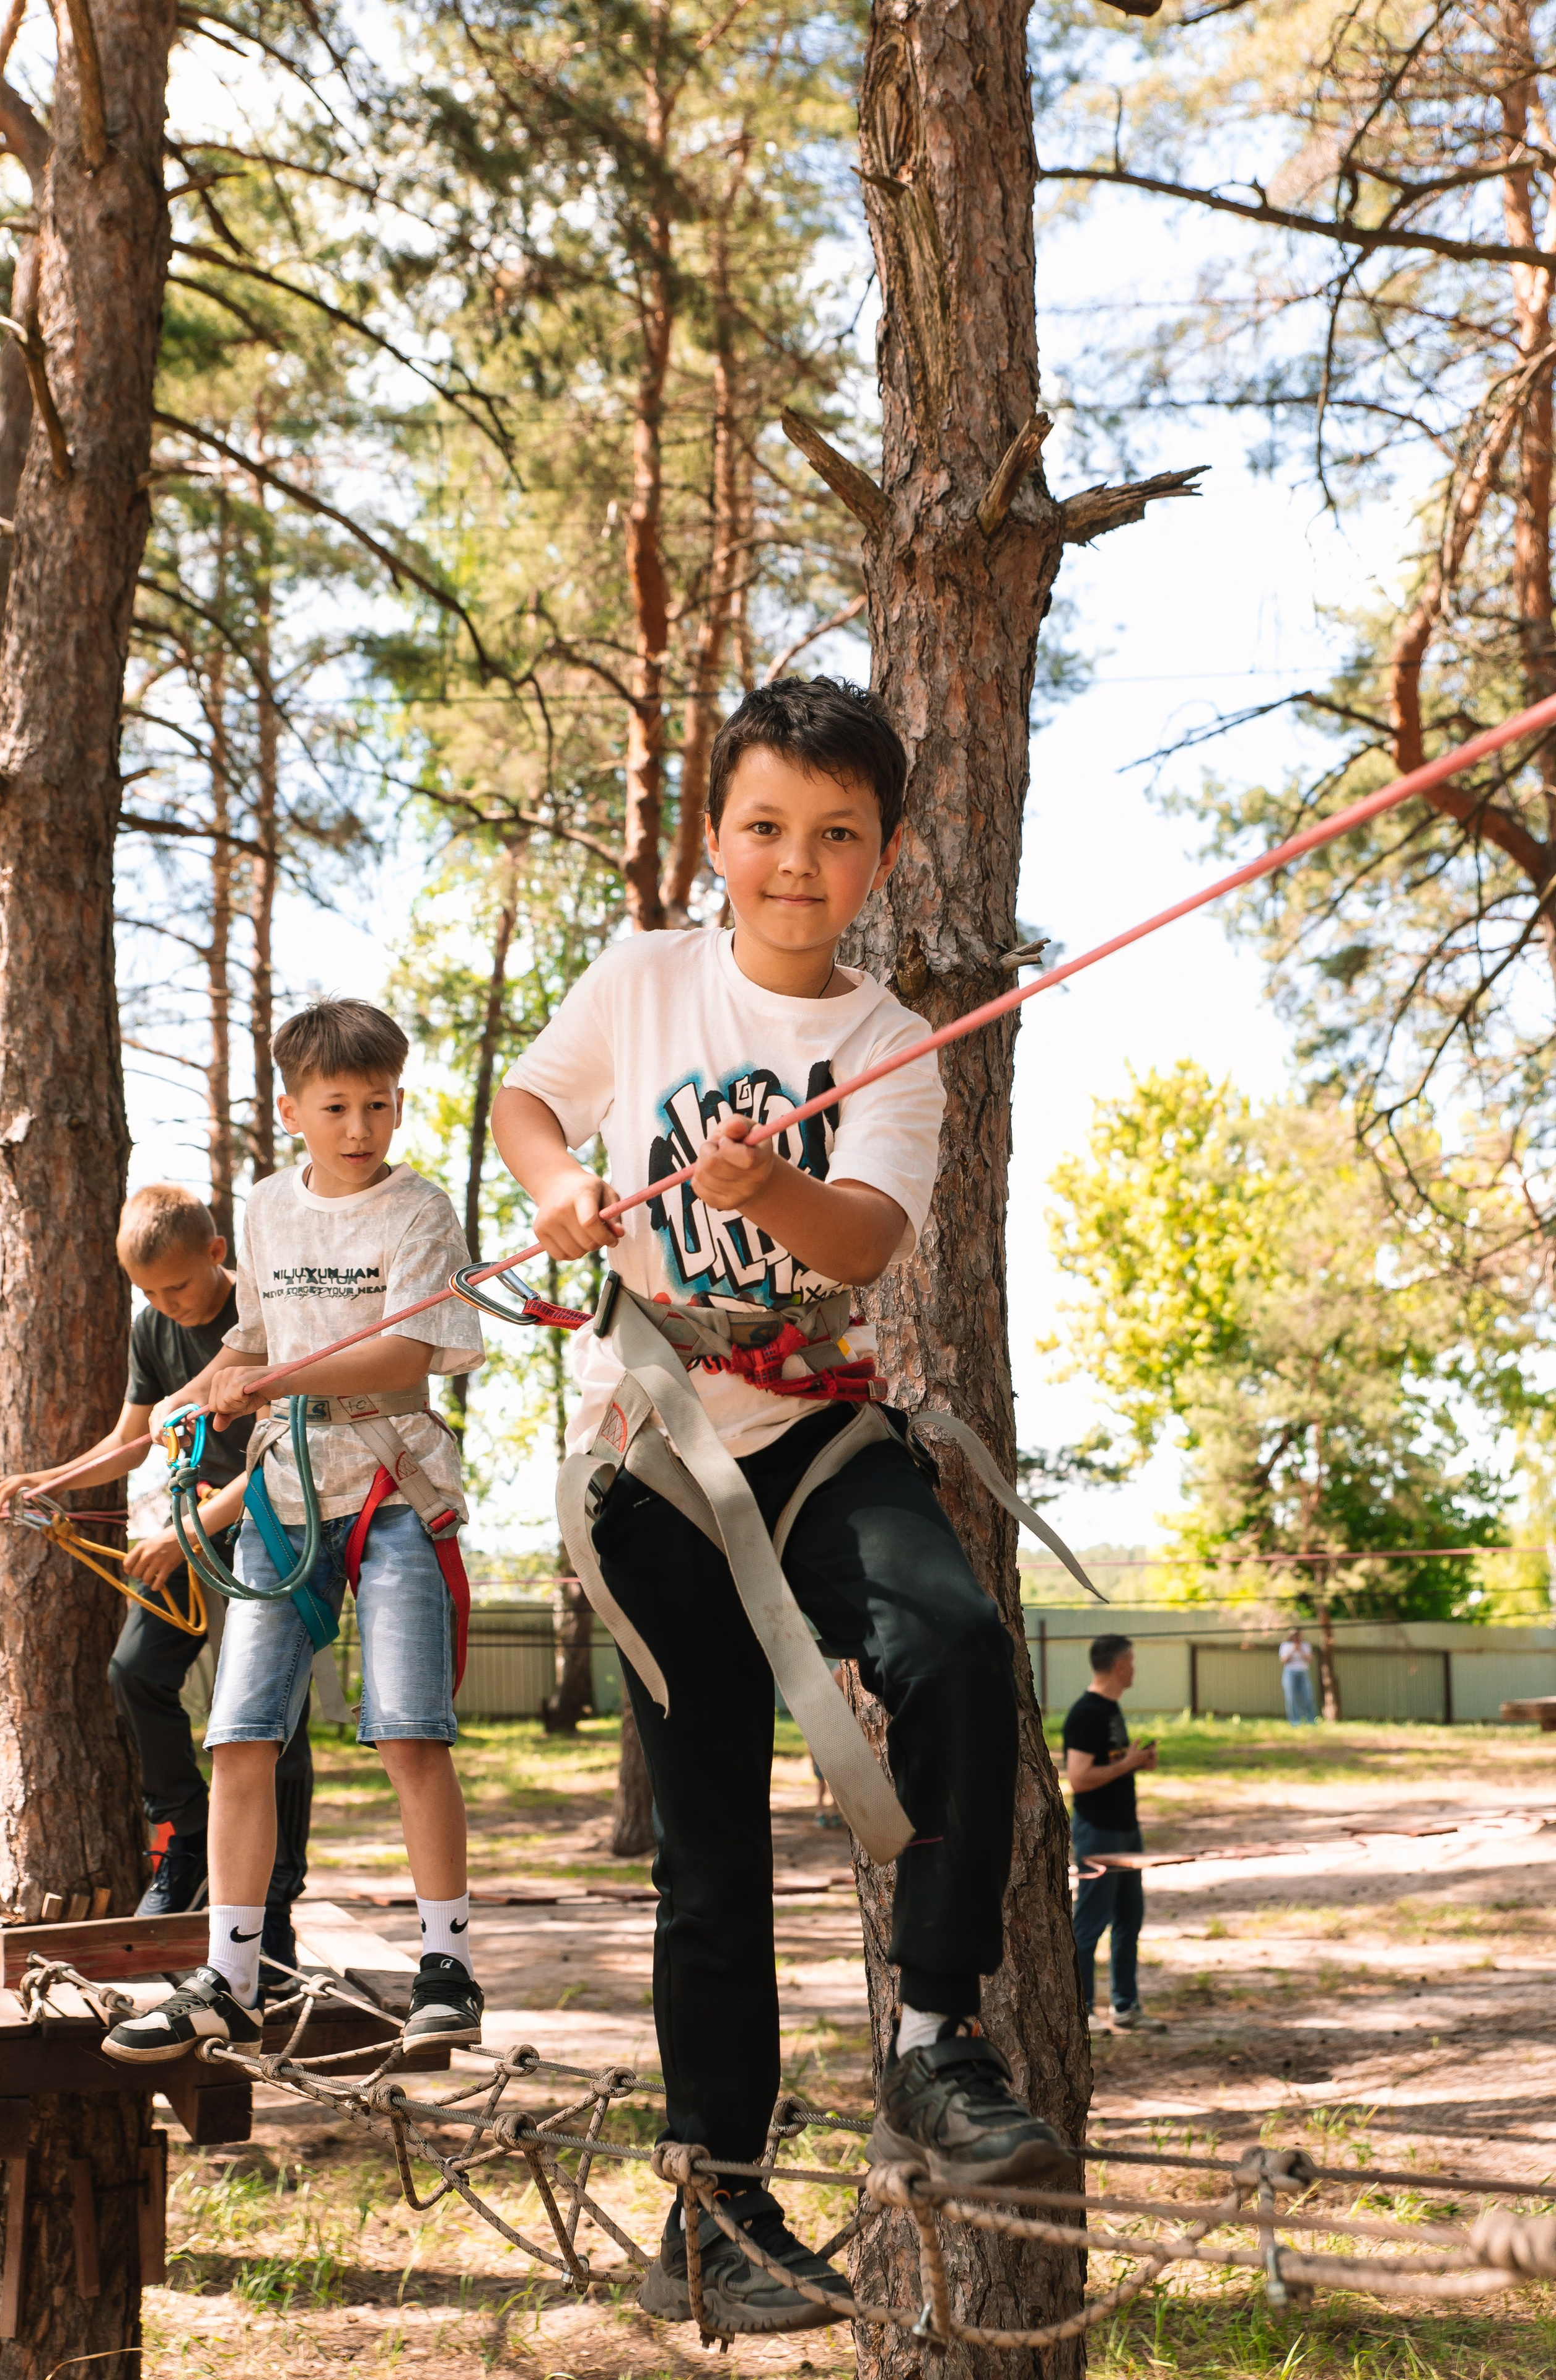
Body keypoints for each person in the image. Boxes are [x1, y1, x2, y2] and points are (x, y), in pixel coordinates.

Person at [494, 676, 1077, 2338]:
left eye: (835, 838)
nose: (796, 864)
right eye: (766, 829)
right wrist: (552, 1187)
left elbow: (869, 1247)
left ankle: (935, 2043)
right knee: (709, 1847)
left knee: (953, 1644)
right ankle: (718, 2211)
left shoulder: (894, 1042)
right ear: (715, 839)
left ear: (885, 858)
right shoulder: (647, 977)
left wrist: (772, 1192)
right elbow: (536, 1102)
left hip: (822, 1437)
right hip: (660, 1458)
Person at [100, 998, 487, 2065]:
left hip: (397, 1488)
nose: (361, 1128)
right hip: (285, 1493)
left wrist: (265, 1376)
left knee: (411, 1731)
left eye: (378, 1106)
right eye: (338, 1108)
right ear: (294, 1111)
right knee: (238, 1738)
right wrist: (229, 1373)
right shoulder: (267, 1210)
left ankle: (446, 1963)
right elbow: (259, 1328)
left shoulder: (419, 1213)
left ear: (397, 1103)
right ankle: (227, 1976)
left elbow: (407, 1360)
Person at [0, 1184, 315, 1972]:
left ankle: (274, 1904)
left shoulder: (265, 1324)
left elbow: (287, 1459)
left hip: (276, 1535)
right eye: (151, 1293)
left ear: (216, 1253)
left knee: (277, 1722)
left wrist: (189, 1531)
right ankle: (187, 1841)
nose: (168, 1304)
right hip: (191, 1534)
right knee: (135, 1673)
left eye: (179, 1286)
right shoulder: (153, 1330)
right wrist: (50, 1481)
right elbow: (130, 1441)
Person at [1063, 1633, 1165, 2034]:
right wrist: (1128, 1765)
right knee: (1090, 1922)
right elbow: (1080, 1778)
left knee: (1129, 1919)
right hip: (1098, 1832)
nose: (1135, 1669)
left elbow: (1107, 1764)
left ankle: (1126, 2006)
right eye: (1133, 1662)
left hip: (1126, 1830)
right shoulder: (1086, 1713)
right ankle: (1082, 2010)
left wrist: (1134, 1761)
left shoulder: (1110, 1710)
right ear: (1119, 1666)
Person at [1280, 1625, 1319, 1724]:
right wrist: (1293, 1649)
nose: (1297, 1638)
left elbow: (1309, 1659)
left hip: (1303, 1672)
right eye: (1295, 1636)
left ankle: (1311, 1720)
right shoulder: (1286, 1645)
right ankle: (1295, 1721)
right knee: (1291, 1697)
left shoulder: (1306, 1645)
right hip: (1290, 1672)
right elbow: (1283, 1660)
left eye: (1299, 1636)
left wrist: (1300, 1650)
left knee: (1308, 1696)